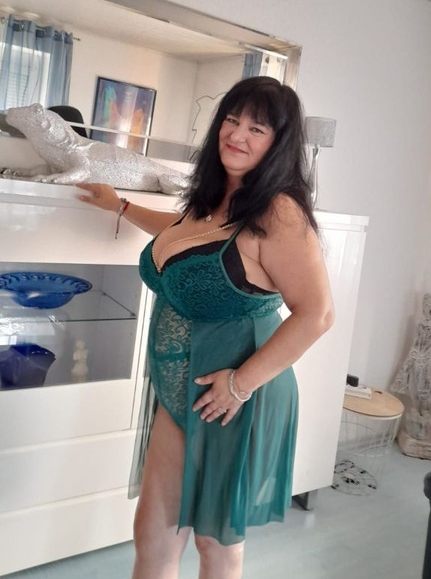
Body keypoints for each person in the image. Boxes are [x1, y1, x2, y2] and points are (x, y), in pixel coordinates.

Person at [77, 76, 334, 579]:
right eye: (232, 120)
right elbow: (181, 238)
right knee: (153, 536)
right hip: (180, 389)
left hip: (232, 391)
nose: (237, 135)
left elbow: (317, 314)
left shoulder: (278, 212)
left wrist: (240, 384)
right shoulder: (213, 199)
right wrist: (119, 206)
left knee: (215, 545)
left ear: (279, 143)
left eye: (256, 128)